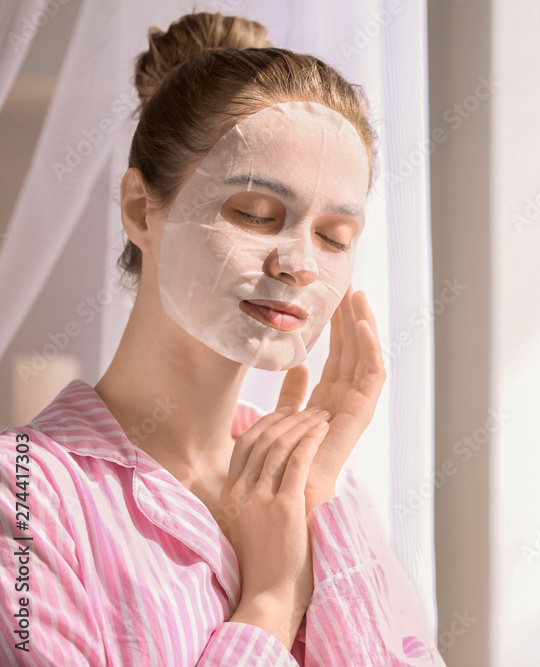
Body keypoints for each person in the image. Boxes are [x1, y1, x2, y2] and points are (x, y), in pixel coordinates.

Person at [0, 11, 445, 666]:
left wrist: (313, 501)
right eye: (255, 215)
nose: (299, 262)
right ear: (139, 209)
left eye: (333, 237)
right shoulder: (26, 491)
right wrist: (269, 599)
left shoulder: (323, 490)